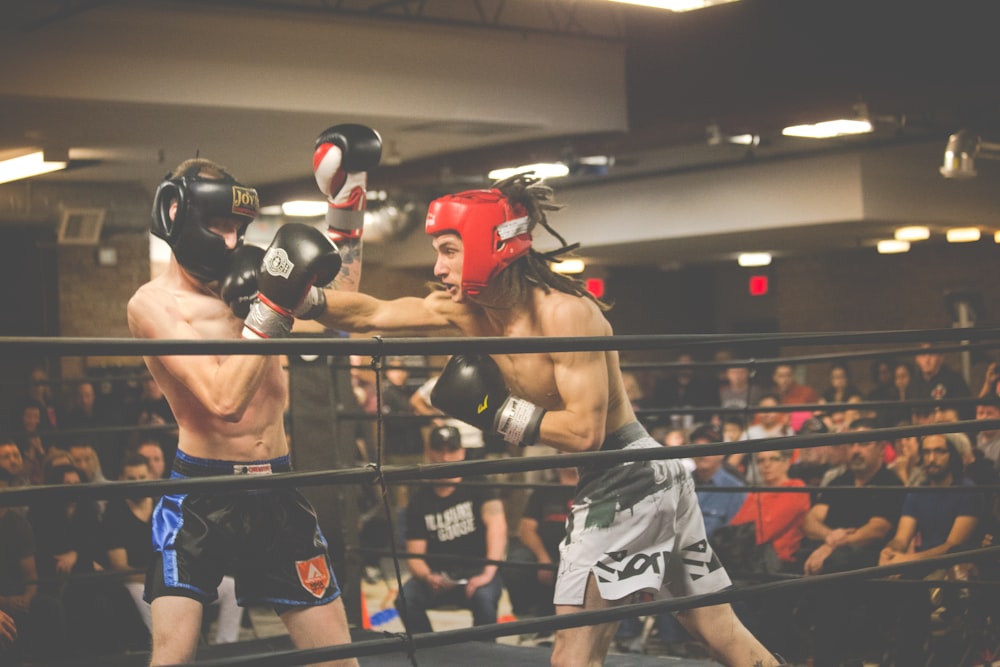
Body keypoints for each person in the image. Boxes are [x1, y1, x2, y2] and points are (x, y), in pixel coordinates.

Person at [304, 172, 779, 665]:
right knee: (716, 626)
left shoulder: (567, 313)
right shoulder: (466, 311)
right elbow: (371, 315)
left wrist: (494, 411)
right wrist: (299, 298)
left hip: (625, 476)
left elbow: (585, 433)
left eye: (449, 249)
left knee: (573, 653)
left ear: (493, 245)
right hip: (641, 480)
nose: (438, 266)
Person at [126, 125, 380, 666]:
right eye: (220, 226)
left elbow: (345, 304)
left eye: (239, 228)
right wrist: (270, 308)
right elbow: (222, 400)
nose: (233, 242)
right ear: (179, 219)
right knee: (171, 655)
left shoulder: (255, 279)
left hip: (278, 489)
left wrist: (346, 202)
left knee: (339, 659)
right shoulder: (153, 305)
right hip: (201, 495)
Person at [102, 452, 242, 646]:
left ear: (150, 477)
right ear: (120, 479)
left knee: (231, 589)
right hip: (138, 581)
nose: (137, 483)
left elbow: (183, 544)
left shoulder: (164, 503)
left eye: (142, 477)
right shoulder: (115, 512)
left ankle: (225, 645)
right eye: (131, 478)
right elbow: (120, 568)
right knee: (143, 597)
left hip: (172, 572)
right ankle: (168, 648)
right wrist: (160, 577)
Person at [879, 432, 983, 665]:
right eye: (926, 452)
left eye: (939, 451)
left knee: (911, 593)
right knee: (880, 577)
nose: (931, 458)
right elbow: (901, 538)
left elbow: (953, 546)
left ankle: (907, 659)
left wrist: (906, 559)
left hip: (951, 566)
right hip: (920, 564)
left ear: (953, 456)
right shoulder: (918, 490)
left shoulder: (968, 490)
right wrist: (889, 552)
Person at [395, 425, 507, 633]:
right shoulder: (420, 499)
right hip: (438, 576)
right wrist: (428, 576)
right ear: (429, 453)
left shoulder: (479, 484)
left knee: (484, 598)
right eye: (439, 450)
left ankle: (485, 656)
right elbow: (415, 555)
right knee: (405, 598)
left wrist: (488, 573)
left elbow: (498, 529)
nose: (445, 457)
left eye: (451, 450)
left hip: (478, 571)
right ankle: (429, 650)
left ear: (462, 452)